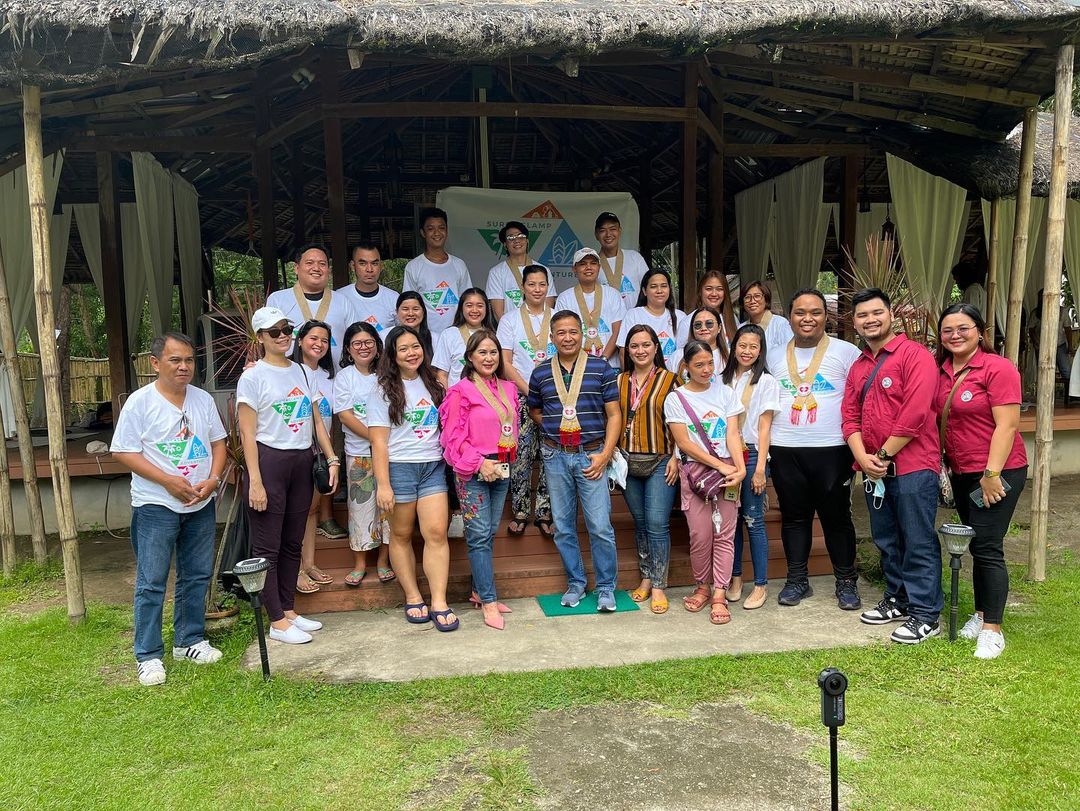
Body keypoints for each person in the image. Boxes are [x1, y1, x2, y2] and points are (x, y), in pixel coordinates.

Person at [111, 332, 227, 686]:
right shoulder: (140, 402)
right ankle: (148, 654)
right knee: (152, 580)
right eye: (176, 360)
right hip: (156, 505)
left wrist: (213, 478)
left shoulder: (203, 399)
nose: (184, 367)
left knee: (196, 574)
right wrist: (166, 481)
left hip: (200, 502)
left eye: (189, 360)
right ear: (155, 362)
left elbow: (218, 442)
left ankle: (189, 640)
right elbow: (123, 451)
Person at [842, 289, 943, 644]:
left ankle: (926, 614)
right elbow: (849, 417)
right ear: (854, 322)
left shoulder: (915, 356)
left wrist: (881, 457)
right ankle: (899, 599)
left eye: (876, 313)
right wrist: (864, 460)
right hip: (874, 471)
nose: (870, 320)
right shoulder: (858, 366)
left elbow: (914, 415)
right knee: (887, 540)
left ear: (891, 315)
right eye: (862, 315)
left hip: (913, 467)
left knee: (917, 540)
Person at [237, 307, 340, 645]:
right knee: (269, 543)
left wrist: (331, 457)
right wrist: (255, 479)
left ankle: (289, 609)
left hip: (301, 459)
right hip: (270, 460)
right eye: (274, 331)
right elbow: (247, 433)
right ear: (260, 337)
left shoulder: (300, 370)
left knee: (293, 539)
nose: (283, 336)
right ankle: (276, 620)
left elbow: (315, 419)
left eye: (287, 329)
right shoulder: (253, 377)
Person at [936, 303, 1028, 660]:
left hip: (997, 471)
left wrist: (991, 475)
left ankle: (992, 629)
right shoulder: (941, 370)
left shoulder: (997, 368)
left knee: (989, 545)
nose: (955, 335)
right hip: (962, 474)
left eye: (963, 328)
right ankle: (979, 614)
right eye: (948, 330)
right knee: (976, 544)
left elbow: (1007, 425)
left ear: (980, 331)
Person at [766, 288, 863, 610]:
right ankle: (797, 581)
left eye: (815, 312)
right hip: (785, 447)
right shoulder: (774, 354)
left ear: (826, 316)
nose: (808, 319)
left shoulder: (847, 352)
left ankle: (846, 582)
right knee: (794, 518)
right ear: (790, 317)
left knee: (837, 518)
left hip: (833, 448)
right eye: (800, 312)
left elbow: (862, 398)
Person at [528, 310, 622, 611]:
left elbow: (615, 414)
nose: (567, 338)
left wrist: (605, 454)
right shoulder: (541, 372)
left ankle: (606, 586)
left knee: (599, 525)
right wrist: (557, 427)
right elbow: (535, 410)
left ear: (582, 334)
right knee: (564, 526)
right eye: (561, 333)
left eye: (573, 332)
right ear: (552, 337)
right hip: (556, 456)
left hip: (592, 455)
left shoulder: (601, 368)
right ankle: (576, 583)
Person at [369, 326, 458, 631]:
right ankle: (412, 595)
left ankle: (439, 600)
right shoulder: (381, 390)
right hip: (399, 469)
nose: (411, 353)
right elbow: (378, 442)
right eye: (403, 348)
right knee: (402, 535)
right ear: (392, 355)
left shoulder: (435, 383)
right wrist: (383, 484)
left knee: (436, 533)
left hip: (432, 466)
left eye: (416, 346)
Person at [439, 329, 520, 630]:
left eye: (493, 352)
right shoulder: (459, 391)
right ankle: (487, 599)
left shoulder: (509, 389)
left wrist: (504, 461)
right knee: (478, 536)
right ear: (470, 357)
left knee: (488, 533)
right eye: (482, 352)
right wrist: (479, 463)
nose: (489, 357)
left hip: (502, 467)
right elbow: (452, 438)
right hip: (473, 469)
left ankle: (478, 589)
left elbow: (513, 427)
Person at [665, 340, 746, 625]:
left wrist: (739, 468)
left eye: (710, 363)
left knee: (725, 535)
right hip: (697, 473)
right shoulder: (676, 398)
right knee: (700, 536)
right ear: (685, 367)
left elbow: (733, 434)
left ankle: (719, 593)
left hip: (728, 471)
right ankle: (701, 586)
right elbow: (684, 443)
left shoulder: (726, 393)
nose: (706, 370)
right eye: (698, 365)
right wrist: (721, 465)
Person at [618, 325, 679, 615]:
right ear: (627, 351)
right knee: (640, 523)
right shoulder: (619, 380)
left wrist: (677, 457)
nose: (640, 351)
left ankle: (659, 586)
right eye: (634, 346)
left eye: (646, 345)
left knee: (656, 524)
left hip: (661, 461)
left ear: (657, 347)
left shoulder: (672, 380)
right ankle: (645, 577)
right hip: (627, 462)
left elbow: (684, 423)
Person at [720, 324, 780, 610]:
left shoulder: (767, 381)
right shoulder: (722, 379)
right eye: (742, 345)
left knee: (753, 520)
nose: (747, 351)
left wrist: (760, 471)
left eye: (753, 347)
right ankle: (735, 578)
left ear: (760, 350)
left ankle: (760, 584)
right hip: (725, 457)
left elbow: (765, 427)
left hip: (753, 454)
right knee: (731, 521)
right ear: (734, 347)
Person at [333, 321, 394, 587]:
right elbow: (345, 415)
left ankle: (383, 561)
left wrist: (383, 442)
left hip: (392, 452)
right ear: (348, 349)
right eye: (357, 343)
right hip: (359, 453)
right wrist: (375, 438)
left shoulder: (388, 374)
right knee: (360, 508)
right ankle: (360, 563)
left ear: (378, 347)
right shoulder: (345, 376)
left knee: (388, 510)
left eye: (368, 342)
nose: (363, 347)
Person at [497, 264, 556, 536]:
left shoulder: (557, 319)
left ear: (548, 287)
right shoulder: (509, 320)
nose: (537, 289)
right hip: (519, 397)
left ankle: (545, 511)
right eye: (531, 284)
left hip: (555, 399)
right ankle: (520, 511)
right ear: (523, 287)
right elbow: (506, 363)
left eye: (542, 284)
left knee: (549, 454)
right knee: (519, 454)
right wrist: (530, 392)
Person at [289, 320, 343, 594]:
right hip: (293, 451)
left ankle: (309, 563)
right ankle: (294, 569)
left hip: (320, 453)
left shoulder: (329, 376)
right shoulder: (288, 371)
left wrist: (332, 456)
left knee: (310, 509)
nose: (319, 344)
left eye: (324, 340)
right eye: (313, 338)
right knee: (296, 511)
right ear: (299, 341)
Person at [266, 243, 358, 366]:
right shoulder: (278, 300)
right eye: (309, 263)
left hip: (334, 378)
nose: (316, 268)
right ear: (296, 268)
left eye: (322, 264)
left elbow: (355, 339)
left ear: (329, 270)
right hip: (289, 378)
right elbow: (268, 340)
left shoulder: (343, 301)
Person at [404, 206, 473, 338]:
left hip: (457, 335)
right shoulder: (413, 267)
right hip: (426, 337)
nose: (436, 233)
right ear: (423, 233)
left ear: (446, 231)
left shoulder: (459, 265)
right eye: (430, 229)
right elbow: (409, 305)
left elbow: (468, 301)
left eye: (441, 228)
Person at [554, 247, 626, 365]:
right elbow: (562, 333)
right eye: (583, 264)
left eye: (593, 263)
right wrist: (579, 362)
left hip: (610, 364)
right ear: (574, 269)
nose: (588, 267)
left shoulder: (613, 294)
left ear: (599, 267)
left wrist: (604, 359)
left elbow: (617, 331)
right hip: (575, 365)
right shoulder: (565, 298)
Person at [617, 269, 689, 372]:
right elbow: (623, 352)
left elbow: (687, 353)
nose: (659, 291)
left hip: (674, 380)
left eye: (664, 286)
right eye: (653, 286)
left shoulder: (680, 316)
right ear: (644, 291)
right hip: (641, 379)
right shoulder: (633, 315)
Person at [485, 220, 556, 319]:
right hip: (511, 330)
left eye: (520, 236)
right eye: (511, 238)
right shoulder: (496, 272)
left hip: (541, 329)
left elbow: (549, 304)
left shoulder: (544, 270)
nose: (517, 240)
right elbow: (498, 313)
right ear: (505, 244)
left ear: (527, 241)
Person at [433, 288, 498, 389]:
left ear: (486, 308)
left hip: (488, 399)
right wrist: (448, 401)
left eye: (480, 306)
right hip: (458, 398)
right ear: (461, 308)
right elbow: (442, 374)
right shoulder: (449, 334)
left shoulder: (494, 335)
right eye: (469, 305)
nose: (474, 310)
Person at [335, 243, 398, 335]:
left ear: (381, 266)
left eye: (374, 263)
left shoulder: (394, 298)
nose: (369, 269)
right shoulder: (339, 297)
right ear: (353, 266)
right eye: (362, 263)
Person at [595, 211, 649, 310]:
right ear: (596, 234)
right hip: (608, 321)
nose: (608, 234)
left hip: (635, 321)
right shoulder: (593, 265)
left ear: (619, 231)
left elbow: (649, 288)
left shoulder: (635, 257)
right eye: (603, 230)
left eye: (613, 229)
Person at [740, 280, 794, 359]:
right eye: (747, 297)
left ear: (766, 299)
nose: (752, 301)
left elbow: (791, 353)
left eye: (757, 296)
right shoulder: (741, 328)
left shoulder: (780, 324)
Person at [674, 306, 728, 383]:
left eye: (709, 323)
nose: (703, 328)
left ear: (719, 328)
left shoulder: (731, 355)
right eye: (698, 325)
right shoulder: (677, 356)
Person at [697, 270, 738, 348]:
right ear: (700, 291)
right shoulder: (689, 321)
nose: (714, 294)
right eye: (709, 289)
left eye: (719, 289)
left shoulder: (732, 318)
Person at [395, 291, 434, 358]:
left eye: (415, 309)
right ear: (397, 312)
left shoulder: (436, 339)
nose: (411, 313)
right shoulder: (385, 336)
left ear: (423, 312)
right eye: (405, 309)